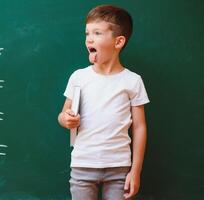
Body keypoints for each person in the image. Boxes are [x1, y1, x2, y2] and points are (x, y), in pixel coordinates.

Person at [58, 4, 150, 200]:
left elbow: (140, 127)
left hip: (119, 168)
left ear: (118, 42)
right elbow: (63, 114)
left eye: (97, 33)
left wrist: (136, 171)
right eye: (87, 33)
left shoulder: (132, 81)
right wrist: (65, 119)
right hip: (83, 165)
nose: (89, 39)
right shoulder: (78, 77)